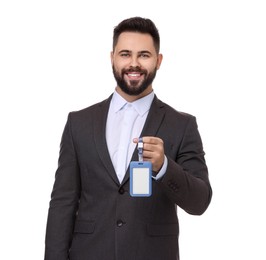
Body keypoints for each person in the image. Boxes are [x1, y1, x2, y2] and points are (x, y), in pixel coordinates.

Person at [44, 16, 212, 260]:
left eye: (144, 55)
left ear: (159, 60)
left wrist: (164, 167)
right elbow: (62, 203)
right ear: (112, 57)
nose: (134, 63)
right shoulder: (78, 123)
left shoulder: (182, 125)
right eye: (125, 54)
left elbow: (200, 202)